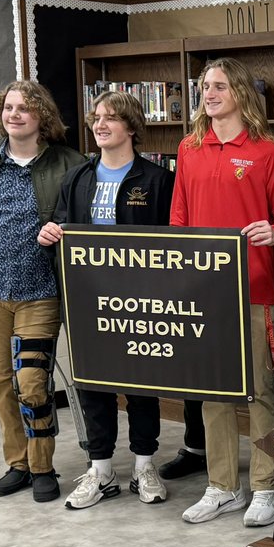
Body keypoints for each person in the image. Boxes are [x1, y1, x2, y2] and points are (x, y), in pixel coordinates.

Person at [36, 90, 174, 509]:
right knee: (92, 383)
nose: (100, 124)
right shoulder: (78, 178)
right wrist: (50, 235)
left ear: (131, 127)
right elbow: (61, 227)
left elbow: (173, 241)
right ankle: (100, 470)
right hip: (88, 299)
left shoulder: (156, 180)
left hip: (141, 300)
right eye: (96, 117)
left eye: (111, 118)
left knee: (142, 384)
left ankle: (144, 465)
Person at [170, 57, 274, 528]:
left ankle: (266, 485)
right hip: (204, 291)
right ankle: (222, 487)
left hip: (256, 288)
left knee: (260, 392)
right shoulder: (188, 147)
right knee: (211, 392)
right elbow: (178, 219)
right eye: (204, 87)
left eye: (219, 86)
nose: (208, 94)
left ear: (239, 91)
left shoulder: (267, 152)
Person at [0, 80, 87, 503]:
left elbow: (82, 220)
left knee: (32, 381)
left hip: (41, 290)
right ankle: (17, 464)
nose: (14, 115)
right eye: (8, 108)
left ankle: (42, 465)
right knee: (1, 383)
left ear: (41, 117)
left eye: (24, 109)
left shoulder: (69, 163)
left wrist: (63, 231)